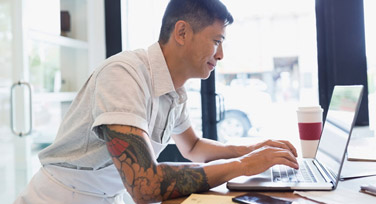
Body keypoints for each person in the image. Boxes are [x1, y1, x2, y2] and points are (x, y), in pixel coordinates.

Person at [14, 0, 299, 203]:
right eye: (216, 40)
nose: (221, 54)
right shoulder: (124, 75)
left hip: (105, 196)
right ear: (182, 32)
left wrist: (252, 148)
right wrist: (244, 165)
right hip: (60, 197)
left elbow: (193, 147)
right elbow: (145, 185)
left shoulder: (174, 88)